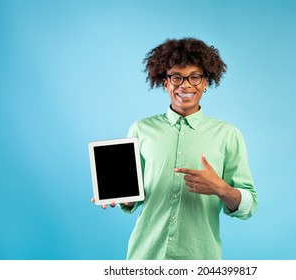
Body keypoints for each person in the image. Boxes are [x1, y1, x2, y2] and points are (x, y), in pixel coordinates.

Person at [92, 37, 257, 260]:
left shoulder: (228, 135)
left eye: (195, 77)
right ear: (165, 82)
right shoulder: (141, 129)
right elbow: (134, 197)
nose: (185, 85)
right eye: (176, 77)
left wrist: (220, 188)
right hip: (145, 257)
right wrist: (121, 196)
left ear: (206, 82)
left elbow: (249, 205)